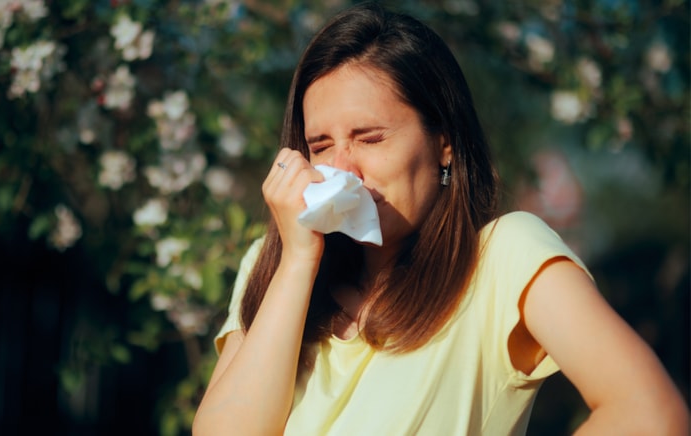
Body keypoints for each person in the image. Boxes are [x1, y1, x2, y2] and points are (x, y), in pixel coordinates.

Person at [193, 3, 689, 435]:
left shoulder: (502, 258)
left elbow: (649, 415)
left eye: (370, 138)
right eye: (321, 146)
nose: (342, 170)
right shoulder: (274, 265)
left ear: (443, 144)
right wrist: (298, 261)